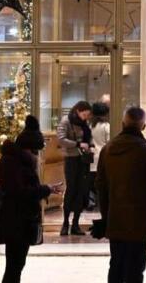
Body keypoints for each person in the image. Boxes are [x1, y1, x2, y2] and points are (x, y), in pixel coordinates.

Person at [96, 106, 146, 283]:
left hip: (115, 217)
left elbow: (100, 186)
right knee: (136, 268)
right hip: (140, 219)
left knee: (116, 264)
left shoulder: (107, 149)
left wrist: (105, 216)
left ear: (122, 123)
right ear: (143, 126)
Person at [0, 115, 57, 283]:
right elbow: (21, 192)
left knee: (16, 265)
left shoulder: (16, 161)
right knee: (14, 266)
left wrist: (46, 189)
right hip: (16, 220)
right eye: (35, 151)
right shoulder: (13, 163)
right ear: (27, 149)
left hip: (20, 219)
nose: (37, 156)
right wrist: (45, 189)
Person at [57, 100, 93, 236]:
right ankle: (65, 223)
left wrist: (90, 146)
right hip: (71, 159)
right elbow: (61, 139)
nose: (86, 117)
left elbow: (89, 137)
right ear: (78, 111)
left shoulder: (85, 123)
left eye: (88, 115)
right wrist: (78, 144)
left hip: (83, 159)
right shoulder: (66, 121)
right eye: (84, 114)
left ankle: (76, 224)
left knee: (81, 191)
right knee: (71, 189)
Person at [89, 102, 112, 210]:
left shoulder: (90, 126)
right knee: (103, 185)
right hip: (103, 158)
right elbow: (109, 143)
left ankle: (92, 203)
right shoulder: (106, 127)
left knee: (92, 184)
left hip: (91, 158)